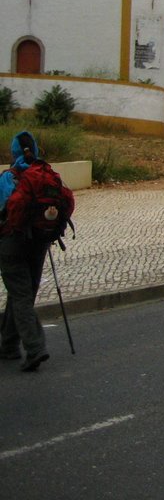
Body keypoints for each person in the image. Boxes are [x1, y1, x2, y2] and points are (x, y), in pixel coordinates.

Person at [1, 131, 71, 371]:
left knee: (19, 294)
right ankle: (9, 346)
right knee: (23, 293)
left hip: (12, 242)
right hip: (40, 241)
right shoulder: (47, 176)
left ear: (14, 153)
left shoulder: (9, 178)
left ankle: (35, 349)